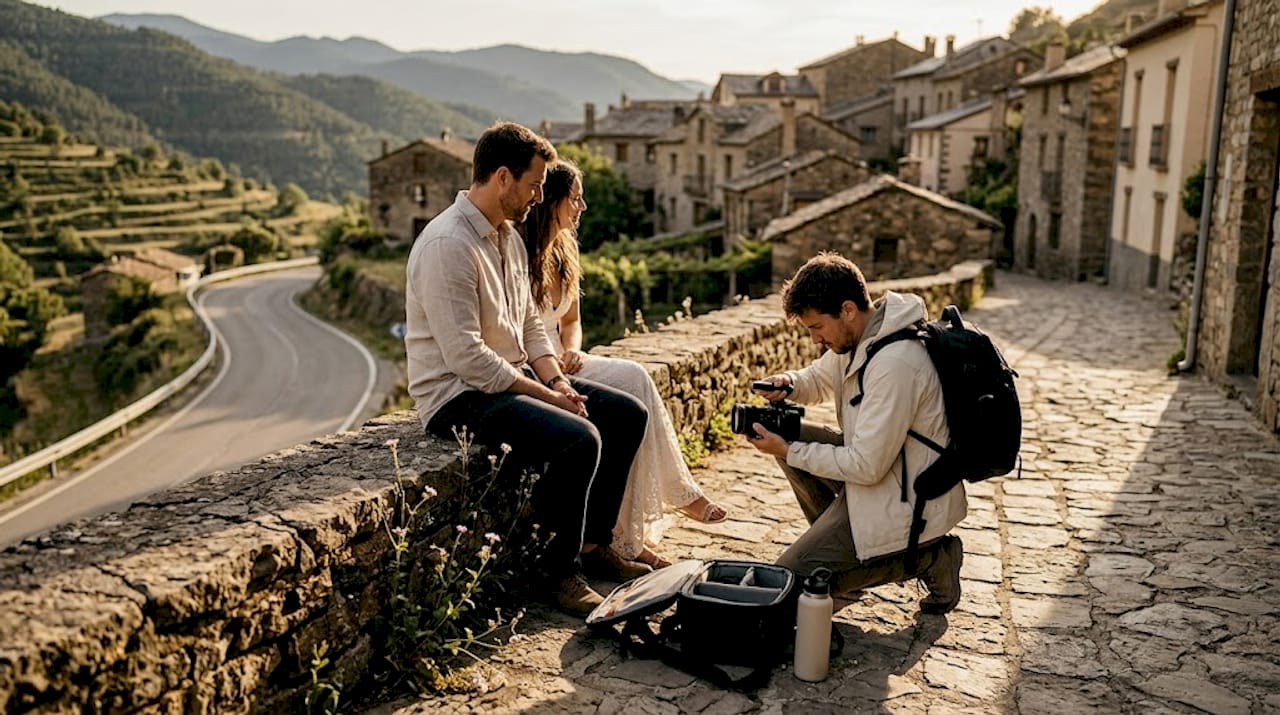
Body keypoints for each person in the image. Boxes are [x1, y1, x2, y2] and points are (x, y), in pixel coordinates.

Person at [404, 122, 653, 617]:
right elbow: (468, 359)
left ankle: (592, 544)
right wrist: (547, 396)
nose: (541, 195)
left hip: (510, 377)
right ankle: (557, 575)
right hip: (457, 396)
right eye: (535, 184)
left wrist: (557, 380)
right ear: (502, 177)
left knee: (627, 413)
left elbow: (531, 327)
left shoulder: (508, 240)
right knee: (580, 438)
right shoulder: (447, 245)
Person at [517, 160, 727, 570]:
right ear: (553, 201)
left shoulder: (566, 251)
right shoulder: (520, 253)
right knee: (630, 393)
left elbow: (571, 321)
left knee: (636, 382)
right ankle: (668, 504)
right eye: (576, 199)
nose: (583, 207)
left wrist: (572, 351)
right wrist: (553, 368)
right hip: (534, 367)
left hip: (564, 361)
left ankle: (629, 534)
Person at [745, 253, 966, 615]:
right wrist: (789, 383)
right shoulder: (864, 335)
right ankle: (843, 549)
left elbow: (866, 466)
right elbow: (818, 378)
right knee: (789, 432)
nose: (815, 339)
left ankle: (932, 557)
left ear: (847, 309)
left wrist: (787, 451)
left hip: (907, 495)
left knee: (794, 581)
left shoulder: (895, 363)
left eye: (817, 327)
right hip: (885, 474)